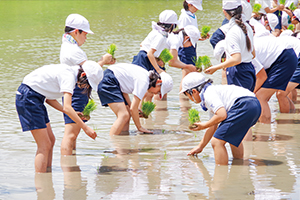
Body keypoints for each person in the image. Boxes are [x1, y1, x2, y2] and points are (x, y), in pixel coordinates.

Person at [15, 61, 102, 173]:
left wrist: (73, 113)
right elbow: (67, 107)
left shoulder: (69, 73)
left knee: (51, 140)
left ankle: (47, 175)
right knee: (44, 145)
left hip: (36, 97)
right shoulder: (69, 76)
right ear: (83, 75)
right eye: (87, 84)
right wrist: (85, 128)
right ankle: (41, 185)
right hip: (28, 97)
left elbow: (49, 99)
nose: (85, 87)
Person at [60, 13, 113, 155]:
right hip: (76, 90)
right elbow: (89, 72)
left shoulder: (68, 46)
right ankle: (68, 169)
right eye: (85, 34)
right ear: (76, 31)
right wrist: (103, 61)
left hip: (73, 89)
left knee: (73, 135)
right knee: (70, 134)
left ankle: (72, 163)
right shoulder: (73, 50)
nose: (86, 38)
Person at [180, 72, 261, 165]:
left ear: (194, 91)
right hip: (255, 105)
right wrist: (200, 146)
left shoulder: (208, 94)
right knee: (232, 137)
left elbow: (222, 115)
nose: (189, 98)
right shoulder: (212, 92)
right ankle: (238, 166)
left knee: (216, 142)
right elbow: (213, 126)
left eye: (187, 95)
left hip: (243, 105)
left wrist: (204, 125)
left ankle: (220, 174)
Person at [97, 63, 173, 135]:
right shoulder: (144, 82)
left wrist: (132, 107)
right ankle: (112, 144)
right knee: (123, 115)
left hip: (112, 80)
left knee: (127, 113)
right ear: (158, 82)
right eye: (159, 91)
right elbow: (133, 109)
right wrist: (139, 127)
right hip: (109, 81)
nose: (156, 94)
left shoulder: (145, 76)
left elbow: (123, 90)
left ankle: (122, 140)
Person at [205, 0, 256, 92]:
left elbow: (236, 59)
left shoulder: (232, 32)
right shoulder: (247, 27)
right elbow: (253, 54)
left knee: (238, 103)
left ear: (224, 12)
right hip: (249, 69)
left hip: (238, 72)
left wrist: (216, 68)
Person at [252, 36, 297, 123]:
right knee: (264, 96)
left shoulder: (246, 54)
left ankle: (264, 131)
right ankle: (291, 120)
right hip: (284, 55)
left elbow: (262, 77)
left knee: (260, 96)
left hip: (284, 58)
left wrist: (251, 93)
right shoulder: (244, 47)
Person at [132, 10, 178, 74]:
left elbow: (142, 44)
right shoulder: (160, 36)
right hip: (143, 60)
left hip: (142, 58)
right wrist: (158, 69)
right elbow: (150, 53)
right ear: (172, 25)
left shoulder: (156, 31)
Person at [167, 25, 200, 91]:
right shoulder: (175, 41)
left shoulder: (176, 37)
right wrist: (187, 66)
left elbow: (174, 60)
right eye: (191, 43)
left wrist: (187, 66)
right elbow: (171, 62)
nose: (190, 46)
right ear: (186, 38)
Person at [178, 0, 209, 66]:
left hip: (192, 45)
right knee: (188, 69)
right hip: (185, 47)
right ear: (189, 5)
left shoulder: (193, 15)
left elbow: (192, 32)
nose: (197, 9)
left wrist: (200, 36)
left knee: (193, 67)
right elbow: (183, 35)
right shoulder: (184, 17)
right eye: (195, 7)